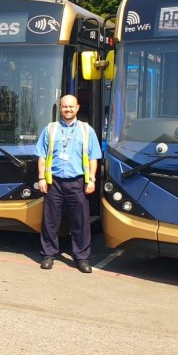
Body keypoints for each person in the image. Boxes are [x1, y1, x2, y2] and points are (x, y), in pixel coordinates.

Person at [35, 94, 102, 273]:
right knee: (50, 221)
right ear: (60, 107)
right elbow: (42, 156)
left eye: (71, 107)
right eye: (65, 107)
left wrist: (92, 180)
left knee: (80, 222)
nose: (68, 110)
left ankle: (82, 258)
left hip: (78, 182)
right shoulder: (50, 129)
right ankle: (48, 255)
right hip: (54, 182)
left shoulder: (87, 130)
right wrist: (41, 178)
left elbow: (93, 158)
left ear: (77, 108)